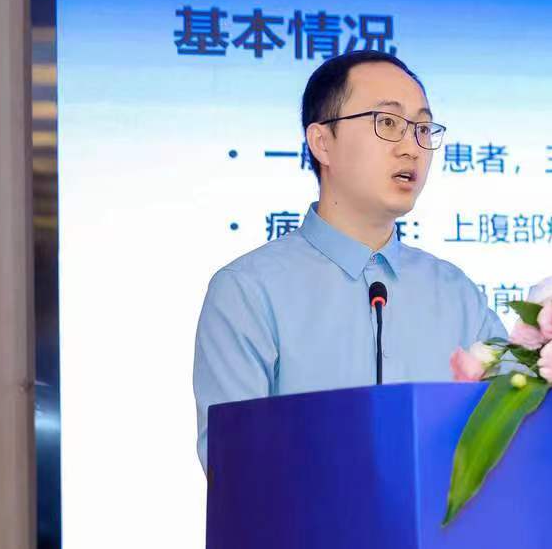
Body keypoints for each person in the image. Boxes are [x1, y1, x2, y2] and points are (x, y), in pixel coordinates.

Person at [192, 50, 505, 470]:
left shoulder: (456, 294)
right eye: (387, 123)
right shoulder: (248, 290)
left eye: (422, 128)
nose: (411, 148)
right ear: (322, 142)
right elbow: (236, 467)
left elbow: (514, 434)